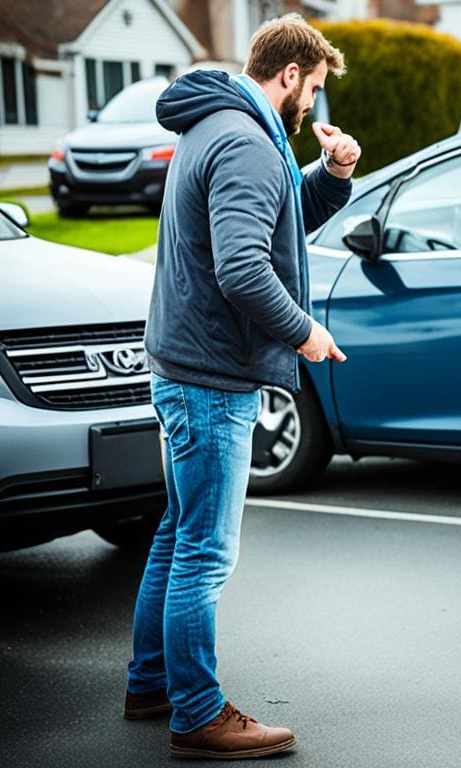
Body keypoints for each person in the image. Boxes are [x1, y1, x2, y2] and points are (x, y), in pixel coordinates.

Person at [124, 14, 360, 760]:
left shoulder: (220, 127)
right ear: (288, 75)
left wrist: (336, 175)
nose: (312, 109)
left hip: (184, 368)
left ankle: (150, 683)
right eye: (313, 90)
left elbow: (282, 215)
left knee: (176, 535)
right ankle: (196, 714)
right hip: (210, 379)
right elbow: (244, 269)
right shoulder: (246, 142)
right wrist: (306, 333)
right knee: (204, 550)